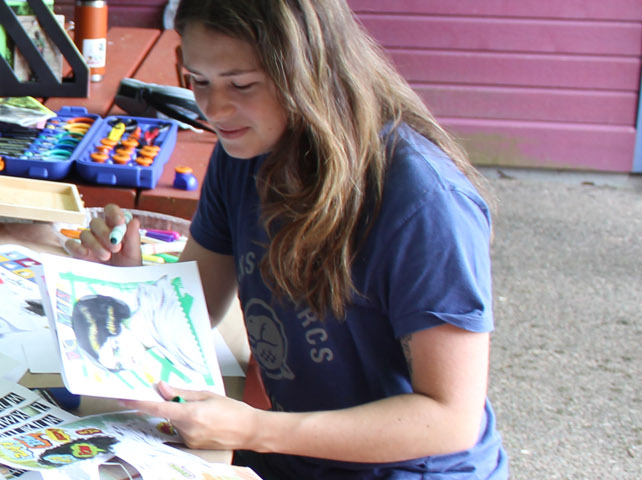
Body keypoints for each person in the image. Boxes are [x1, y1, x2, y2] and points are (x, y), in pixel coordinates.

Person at [63, 0, 506, 478]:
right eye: (198, 80)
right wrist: (131, 283)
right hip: (291, 453)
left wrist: (257, 431)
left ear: (309, 72)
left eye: (242, 85)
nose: (213, 109)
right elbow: (197, 304)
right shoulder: (244, 148)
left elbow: (450, 418)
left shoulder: (423, 202)